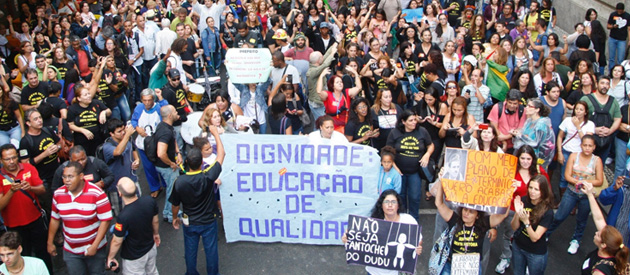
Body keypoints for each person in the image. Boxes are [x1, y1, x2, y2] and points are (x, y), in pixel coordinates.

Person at [170, 125, 225, 275]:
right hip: (208, 220)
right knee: (211, 251)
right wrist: (216, 134)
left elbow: (175, 204)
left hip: (190, 221)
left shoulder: (180, 182)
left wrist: (175, 218)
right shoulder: (208, 176)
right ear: (201, 162)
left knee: (190, 250)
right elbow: (221, 155)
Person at [433, 174, 512, 275]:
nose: (466, 214)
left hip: (472, 267)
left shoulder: (483, 224)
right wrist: (441, 181)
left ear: (477, 215)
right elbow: (439, 204)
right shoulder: (455, 220)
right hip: (452, 265)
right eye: (465, 210)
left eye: (471, 212)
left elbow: (503, 215)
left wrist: (510, 191)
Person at [47, 161, 112, 275]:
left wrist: (94, 246)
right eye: (64, 177)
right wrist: (50, 242)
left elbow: (105, 221)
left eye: (70, 177)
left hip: (94, 249)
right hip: (71, 250)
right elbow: (55, 218)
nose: (66, 180)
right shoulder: (58, 194)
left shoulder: (97, 194)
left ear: (81, 176)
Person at [341, 189, 422, 274]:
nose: (390, 205)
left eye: (393, 202)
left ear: (398, 205)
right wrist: (347, 239)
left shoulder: (408, 220)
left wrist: (418, 247)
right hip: (375, 272)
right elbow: (359, 244)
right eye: (386, 202)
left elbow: (418, 239)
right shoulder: (371, 224)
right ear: (381, 205)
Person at [548, 135, 604, 255]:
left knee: (582, 220)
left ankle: (576, 240)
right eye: (585, 145)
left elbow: (599, 180)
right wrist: (578, 183)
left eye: (590, 146)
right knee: (559, 216)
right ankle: (546, 234)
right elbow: (567, 176)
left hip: (587, 195)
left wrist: (583, 182)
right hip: (571, 192)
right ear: (581, 145)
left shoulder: (597, 160)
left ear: (594, 147)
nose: (587, 148)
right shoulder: (574, 156)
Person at [0, 144, 52, 273]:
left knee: (43, 254)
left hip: (35, 220)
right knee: (22, 256)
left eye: (13, 157)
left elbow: (42, 189)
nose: (11, 161)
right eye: (7, 159)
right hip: (14, 226)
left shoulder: (29, 168)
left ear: (18, 157)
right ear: (1, 161)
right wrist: (11, 191)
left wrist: (30, 188)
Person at [386, 109, 434, 220]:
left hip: (415, 171)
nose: (414, 122)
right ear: (403, 122)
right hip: (399, 171)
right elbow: (387, 151)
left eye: (415, 120)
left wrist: (427, 155)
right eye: (411, 120)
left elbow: (430, 145)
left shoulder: (422, 131)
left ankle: (414, 220)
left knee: (415, 197)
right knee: (400, 197)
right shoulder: (395, 133)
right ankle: (402, 219)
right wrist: (395, 167)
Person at [107, 177, 160, 275]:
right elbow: (155, 221)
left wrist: (111, 257)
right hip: (150, 247)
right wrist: (156, 234)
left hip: (134, 257)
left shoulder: (123, 217)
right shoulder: (149, 201)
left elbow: (116, 241)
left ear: (120, 193)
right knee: (152, 271)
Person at [582, 180, 630, 275]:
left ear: (604, 245)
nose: (596, 233)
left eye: (598, 234)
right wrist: (590, 195)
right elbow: (599, 219)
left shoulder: (601, 271)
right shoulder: (609, 251)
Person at [511, 175, 555, 275]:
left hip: (535, 253)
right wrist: (517, 214)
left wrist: (526, 222)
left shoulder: (547, 212)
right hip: (518, 246)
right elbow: (514, 227)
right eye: (530, 188)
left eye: (536, 189)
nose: (532, 191)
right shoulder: (524, 200)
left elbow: (535, 238)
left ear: (543, 191)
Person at [131, 88, 169, 198]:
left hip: (158, 143)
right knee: (148, 167)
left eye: (149, 100)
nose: (147, 103)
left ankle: (167, 184)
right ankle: (155, 187)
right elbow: (133, 120)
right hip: (143, 144)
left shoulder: (158, 108)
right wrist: (137, 128)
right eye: (144, 100)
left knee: (162, 165)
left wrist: (160, 97)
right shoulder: (139, 108)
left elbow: (166, 109)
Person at [557, 101, 595, 205]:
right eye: (577, 109)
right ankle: (563, 201)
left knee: (577, 178)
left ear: (586, 112)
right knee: (564, 177)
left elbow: (586, 141)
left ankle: (574, 203)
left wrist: (578, 126)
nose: (578, 112)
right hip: (566, 150)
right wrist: (559, 152)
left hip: (580, 154)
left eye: (581, 110)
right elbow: (560, 136)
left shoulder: (590, 124)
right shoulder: (568, 120)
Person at [103, 119, 140, 214]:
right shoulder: (107, 146)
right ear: (111, 134)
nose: (123, 132)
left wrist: (137, 160)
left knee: (138, 209)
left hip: (132, 181)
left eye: (123, 129)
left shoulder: (128, 139)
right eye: (119, 131)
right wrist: (127, 135)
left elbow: (133, 148)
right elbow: (117, 152)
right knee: (121, 213)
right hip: (116, 188)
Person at [581, 76, 621, 162]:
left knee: (600, 167)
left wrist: (610, 131)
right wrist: (593, 130)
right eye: (602, 83)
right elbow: (579, 118)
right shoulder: (586, 99)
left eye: (607, 84)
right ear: (596, 84)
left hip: (606, 141)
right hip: (588, 141)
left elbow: (618, 119)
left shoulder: (613, 101)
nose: (605, 86)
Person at [154, 105, 182, 223]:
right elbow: (161, 153)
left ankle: (167, 211)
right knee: (172, 190)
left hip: (165, 164)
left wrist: (178, 152)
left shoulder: (165, 126)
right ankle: (171, 215)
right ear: (170, 115)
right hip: (165, 166)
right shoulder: (165, 132)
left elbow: (173, 140)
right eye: (175, 111)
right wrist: (171, 164)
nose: (177, 113)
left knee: (171, 188)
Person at [512, 98, 556, 169]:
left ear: (537, 109)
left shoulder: (541, 124)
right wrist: (516, 134)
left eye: (530, 106)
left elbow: (536, 143)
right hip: (525, 155)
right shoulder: (529, 121)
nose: (526, 108)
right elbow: (524, 136)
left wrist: (520, 136)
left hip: (536, 159)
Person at [317, 67, 361, 133]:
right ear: (332, 86)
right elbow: (319, 91)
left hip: (345, 127)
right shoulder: (328, 95)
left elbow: (359, 88)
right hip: (331, 127)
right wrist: (321, 76)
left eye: (341, 82)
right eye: (337, 82)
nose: (340, 83)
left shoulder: (346, 93)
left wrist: (355, 73)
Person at [607, 2, 630, 71]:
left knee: (621, 58)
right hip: (612, 37)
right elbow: (608, 26)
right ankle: (611, 71)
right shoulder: (613, 15)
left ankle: (619, 71)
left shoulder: (627, 16)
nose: (619, 12)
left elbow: (629, 28)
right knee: (611, 58)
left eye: (620, 11)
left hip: (622, 39)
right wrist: (613, 26)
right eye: (618, 11)